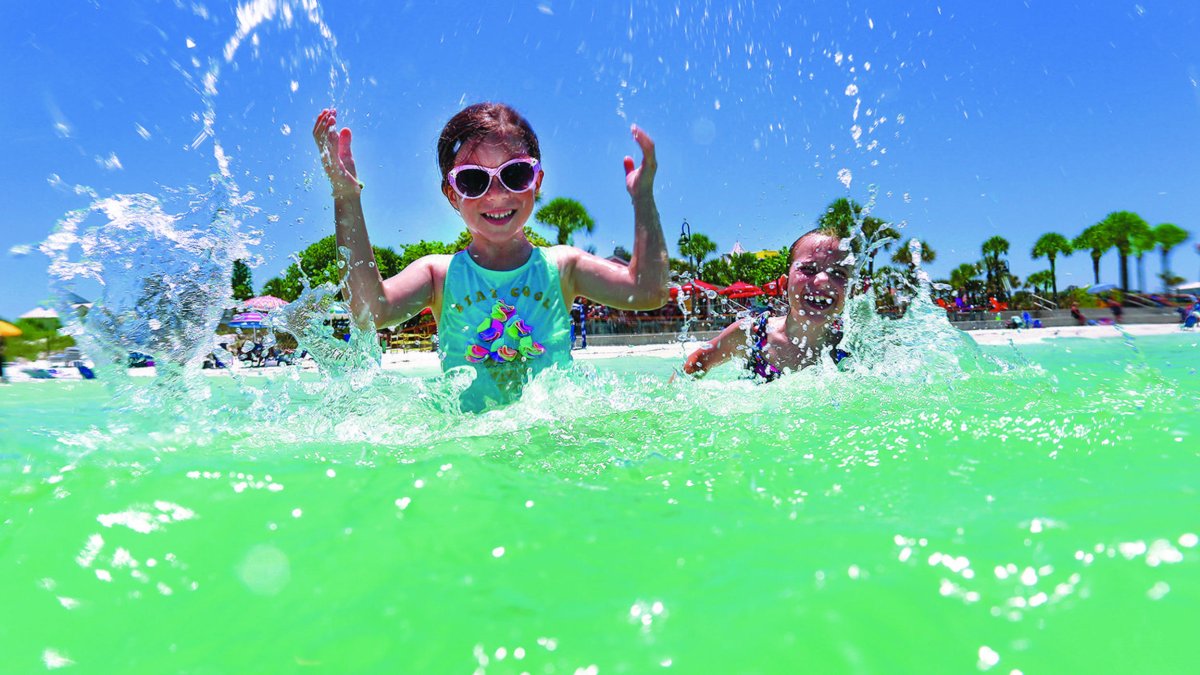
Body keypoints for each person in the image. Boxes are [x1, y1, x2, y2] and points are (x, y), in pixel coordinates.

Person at [313, 104, 668, 408]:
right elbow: (371, 311)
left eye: (515, 174)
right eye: (473, 180)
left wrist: (643, 198)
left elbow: (648, 291)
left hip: (552, 441)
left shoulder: (563, 267)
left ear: (537, 181)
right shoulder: (439, 275)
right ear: (452, 194)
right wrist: (346, 196)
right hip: (472, 451)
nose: (497, 195)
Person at [682, 225, 851, 381]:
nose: (823, 280)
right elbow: (697, 362)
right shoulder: (752, 334)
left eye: (838, 272)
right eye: (808, 269)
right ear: (784, 285)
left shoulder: (853, 344)